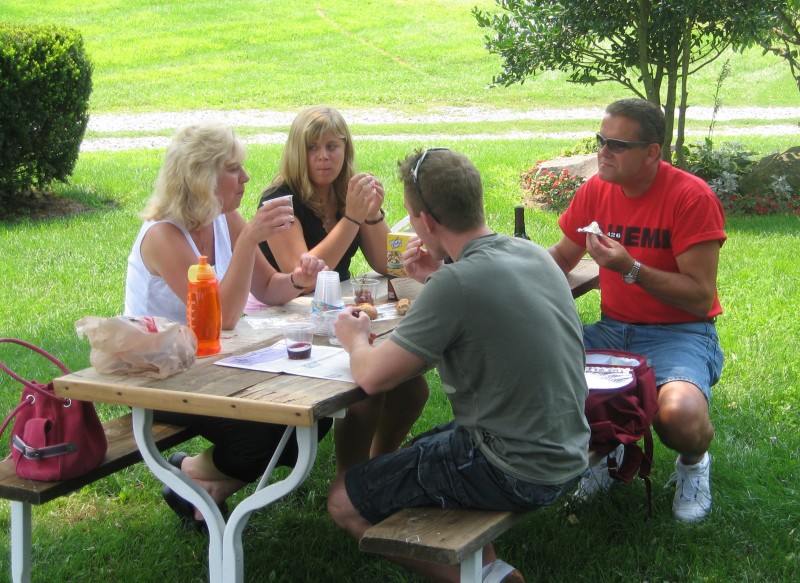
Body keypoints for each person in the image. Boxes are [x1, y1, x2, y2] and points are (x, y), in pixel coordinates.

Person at [327, 148, 590, 583]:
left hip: (514, 468)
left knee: (342, 501)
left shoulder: (456, 283)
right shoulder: (532, 254)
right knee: (426, 450)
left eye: (411, 217)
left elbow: (372, 377)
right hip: (567, 449)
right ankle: (484, 564)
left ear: (427, 221)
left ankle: (489, 579)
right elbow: (484, 301)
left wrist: (354, 338)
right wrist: (435, 276)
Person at [124, 122, 328, 532]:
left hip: (211, 366)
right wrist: (249, 240)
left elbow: (268, 288)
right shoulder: (164, 234)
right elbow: (221, 319)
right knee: (261, 437)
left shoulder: (224, 216)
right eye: (234, 169)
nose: (246, 178)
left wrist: (299, 280)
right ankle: (191, 471)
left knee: (314, 415)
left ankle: (200, 483)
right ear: (201, 177)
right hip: (159, 377)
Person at [547, 98, 725, 522]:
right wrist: (498, 276)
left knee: (680, 416)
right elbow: (561, 258)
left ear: (651, 152)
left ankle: (694, 464)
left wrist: (631, 268)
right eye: (600, 140)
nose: (603, 152)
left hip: (681, 332)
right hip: (613, 330)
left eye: (617, 145)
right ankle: (605, 450)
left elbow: (700, 297)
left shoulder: (690, 197)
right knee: (533, 370)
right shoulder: (597, 189)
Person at [256, 105, 429, 473]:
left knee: (412, 389)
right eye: (312, 148)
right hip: (290, 321)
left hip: (338, 314)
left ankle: (378, 466)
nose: (323, 157)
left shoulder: (345, 190)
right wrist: (352, 217)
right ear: (296, 152)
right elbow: (303, 273)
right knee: (365, 392)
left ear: (346, 149)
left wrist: (372, 214)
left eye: (332, 146)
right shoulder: (280, 200)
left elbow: (386, 263)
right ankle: (349, 480)